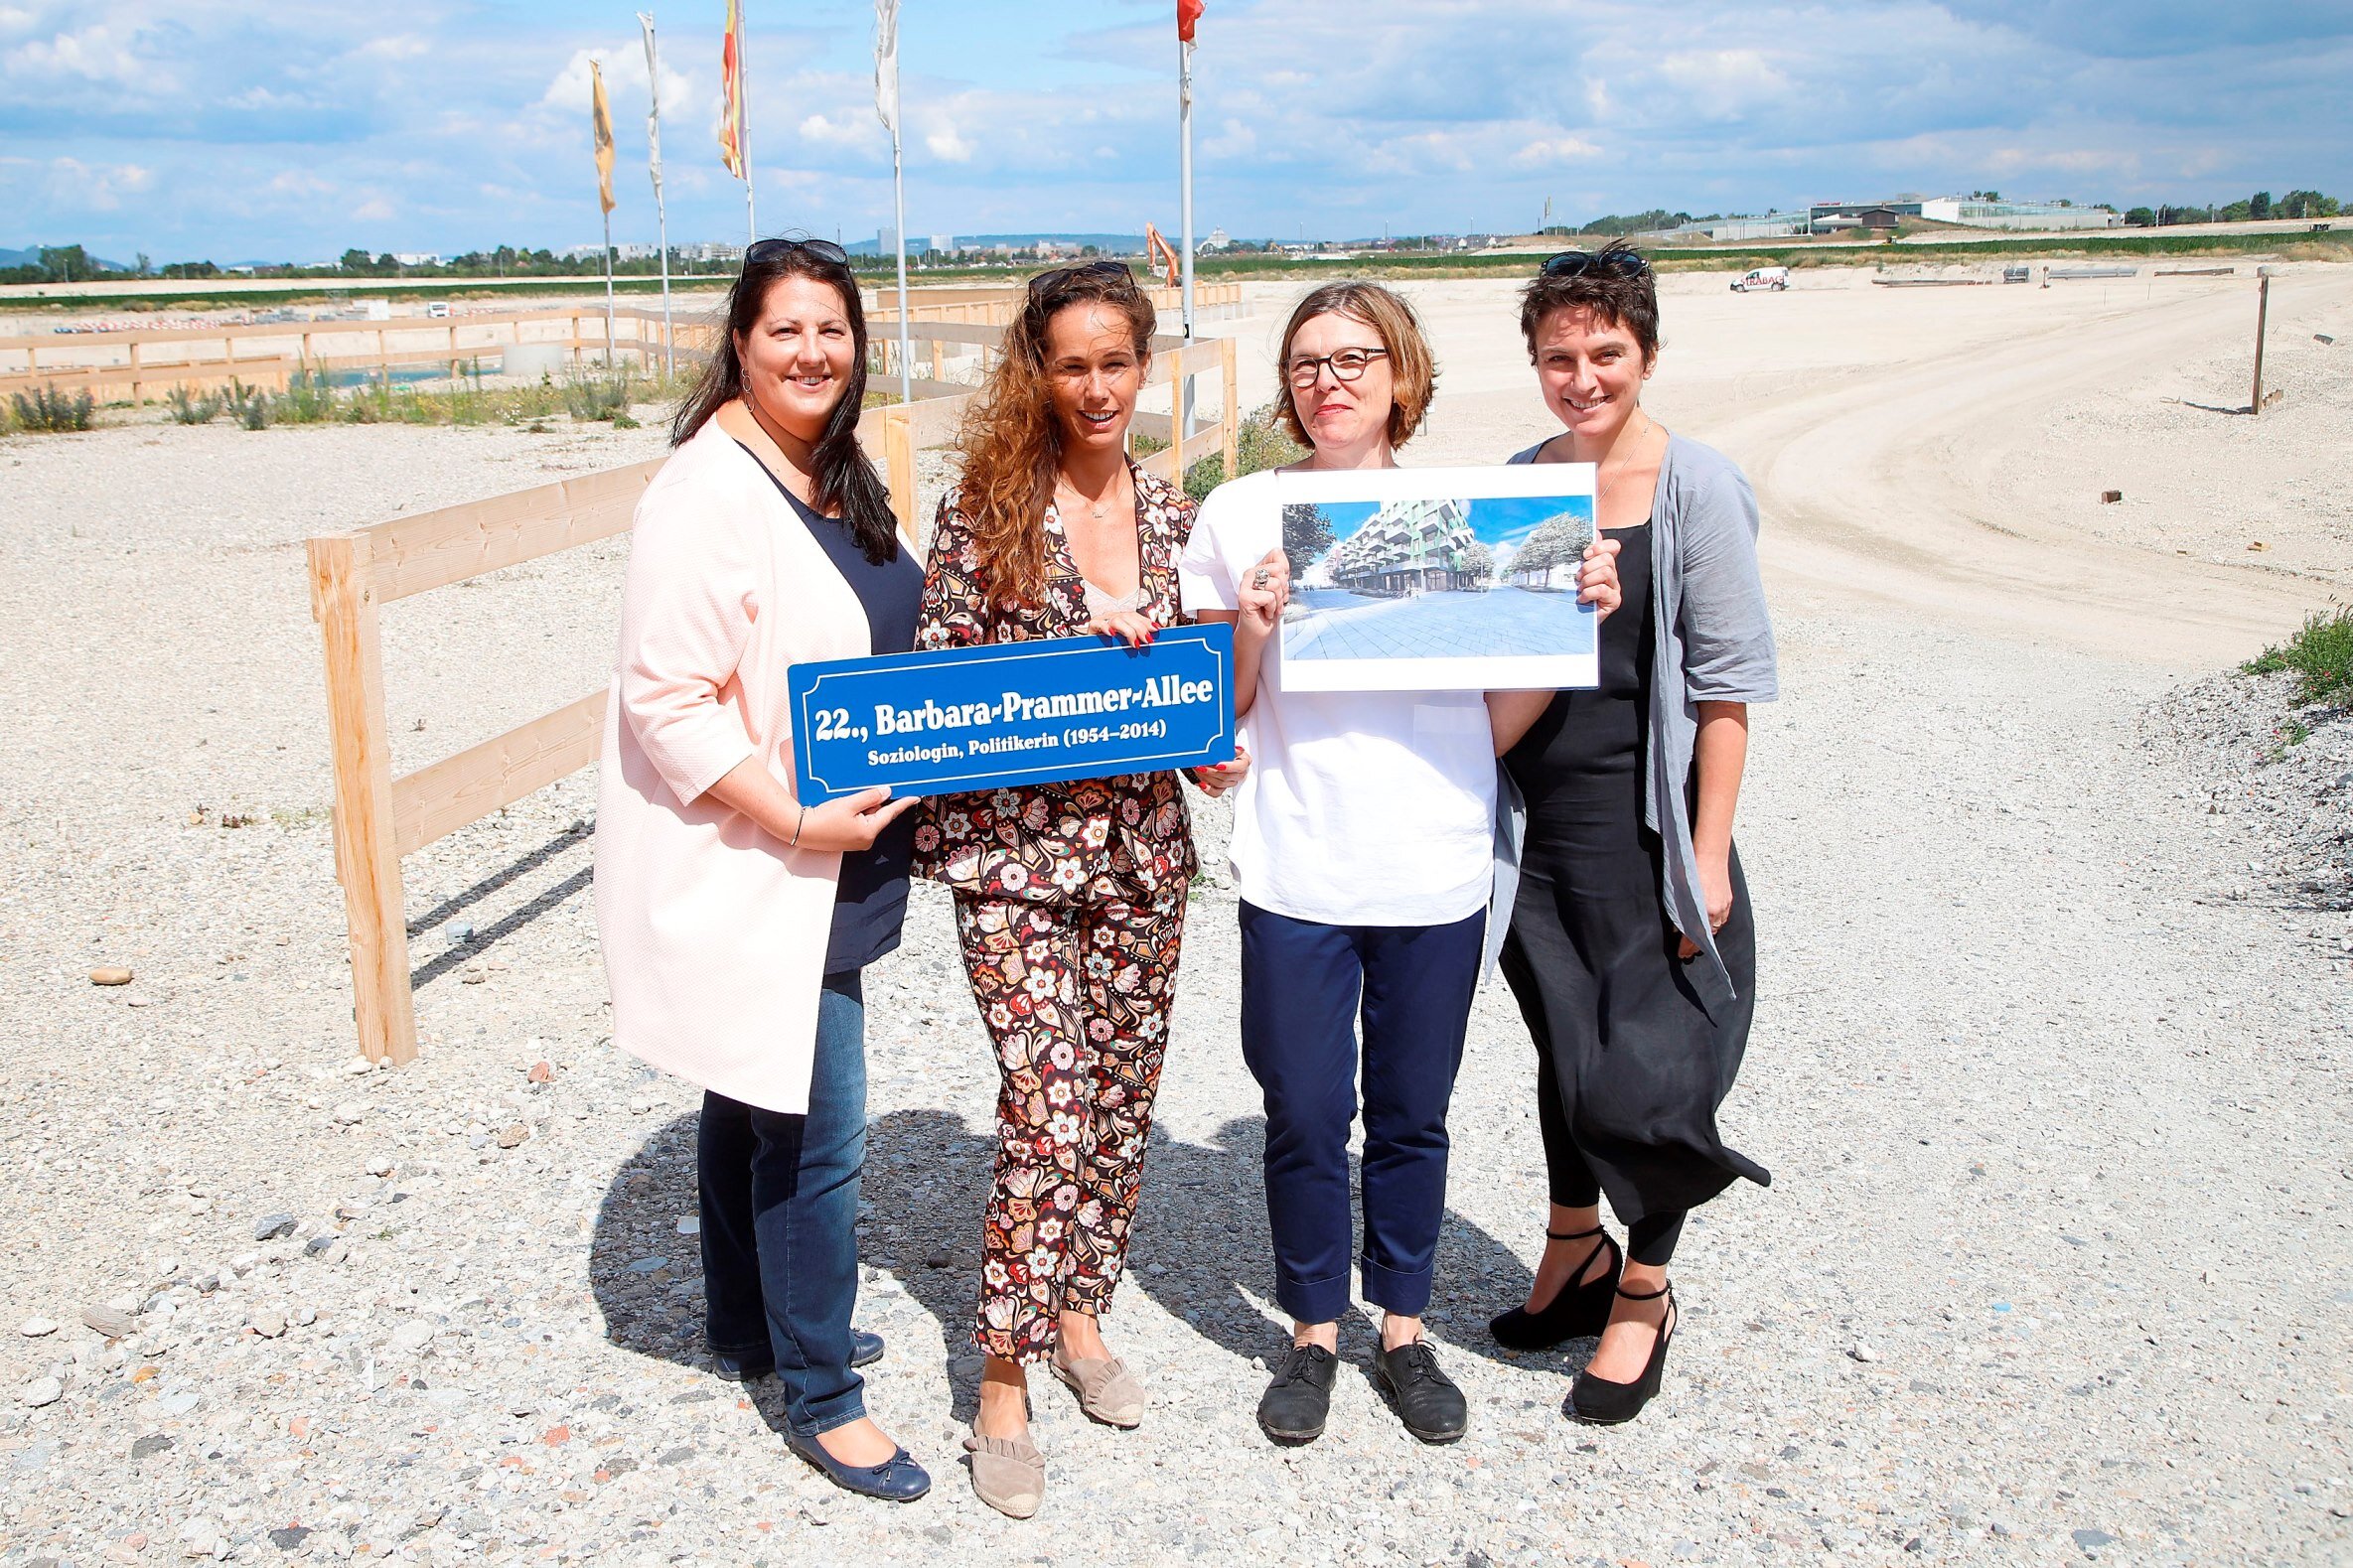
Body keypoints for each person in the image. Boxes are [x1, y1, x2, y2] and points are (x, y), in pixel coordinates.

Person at [1179, 283, 1619, 1449]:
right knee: (1303, 1111)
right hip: (1295, 861)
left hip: (1433, 860)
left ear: (1400, 373)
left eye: (1353, 358)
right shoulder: (1238, 511)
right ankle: (1312, 1331)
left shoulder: (1465, 516)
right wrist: (1255, 626)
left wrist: (1566, 624)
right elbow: (1216, 711)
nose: (1328, 381)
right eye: (1306, 362)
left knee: (1413, 1115)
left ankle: (1404, 1329)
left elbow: (1493, 721)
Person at [593, 236, 932, 1501]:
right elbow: (664, 699)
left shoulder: (828, 468)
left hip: (835, 850)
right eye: (785, 329)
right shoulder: (705, 493)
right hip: (771, 856)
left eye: (832, 329)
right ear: (738, 341)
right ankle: (823, 1396)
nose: (812, 352)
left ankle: (747, 1323)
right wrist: (794, 821)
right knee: (815, 1129)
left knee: (747, 1091)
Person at [911, 260, 1240, 1518]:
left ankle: (1079, 1311)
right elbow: (934, 684)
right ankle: (1001, 1373)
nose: (1095, 387)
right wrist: (1064, 655)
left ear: (1142, 368)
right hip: (1011, 856)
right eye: (1070, 365)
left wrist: (1211, 745)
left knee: (1117, 1097)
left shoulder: (1176, 517)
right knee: (1045, 1101)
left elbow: (1195, 704)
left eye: (1114, 363)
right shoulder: (981, 510)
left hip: (1139, 854)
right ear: (1036, 374)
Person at [1485, 240, 1778, 1425]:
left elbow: (1727, 686)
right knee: (1562, 1050)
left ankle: (1644, 1286)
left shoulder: (1696, 485)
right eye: (1558, 356)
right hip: (1531, 828)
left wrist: (1706, 853)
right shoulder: (1517, 483)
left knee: (1639, 1075)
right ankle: (1573, 1250)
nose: (1581, 377)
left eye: (1604, 352)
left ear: (1645, 353)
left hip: (1645, 831)